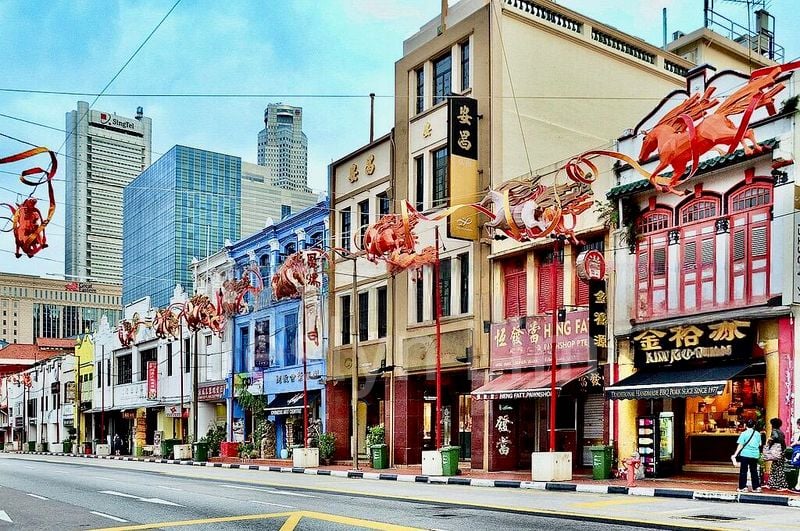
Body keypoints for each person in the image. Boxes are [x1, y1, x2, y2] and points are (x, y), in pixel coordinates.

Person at [732, 419, 761, 493]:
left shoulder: (743, 434)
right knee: (754, 471)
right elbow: (760, 444)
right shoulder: (758, 434)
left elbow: (740, 445)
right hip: (755, 454)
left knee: (743, 471)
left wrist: (735, 454)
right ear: (754, 425)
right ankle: (756, 487)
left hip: (745, 454)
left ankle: (743, 487)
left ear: (745, 425)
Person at [765, 418, 788, 490]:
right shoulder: (781, 432)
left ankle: (779, 485)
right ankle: (774, 484)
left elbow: (774, 438)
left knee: (776, 468)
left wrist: (768, 441)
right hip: (782, 451)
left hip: (777, 451)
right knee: (778, 467)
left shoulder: (774, 431)